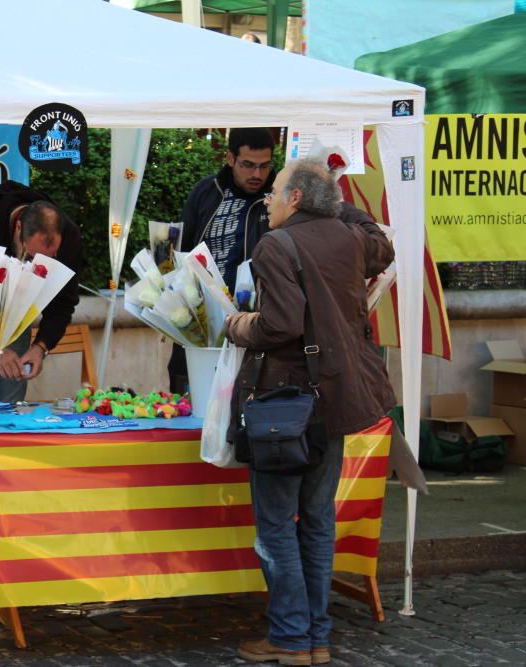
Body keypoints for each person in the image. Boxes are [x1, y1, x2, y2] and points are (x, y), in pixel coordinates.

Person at [226, 157, 395, 665]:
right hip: (335, 399)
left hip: (285, 404)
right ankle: (315, 638)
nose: (268, 198)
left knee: (277, 525)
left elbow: (279, 325)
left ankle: (291, 637)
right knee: (317, 521)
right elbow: (382, 242)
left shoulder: (275, 245)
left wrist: (236, 324)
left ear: (295, 198)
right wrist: (339, 203)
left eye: (276, 189)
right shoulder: (349, 238)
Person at [0, 180, 83, 403]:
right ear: (18, 227)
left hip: (15, 322)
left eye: (50, 260)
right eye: (31, 257)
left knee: (9, 406)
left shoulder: (70, 237)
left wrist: (41, 346)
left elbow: (63, 301)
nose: (37, 266)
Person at [168, 127, 276, 393]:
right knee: (189, 393)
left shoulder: (277, 198)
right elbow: (182, 249)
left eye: (264, 166)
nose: (257, 174)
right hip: (200, 318)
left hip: (253, 321)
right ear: (230, 158)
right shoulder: (206, 191)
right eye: (247, 165)